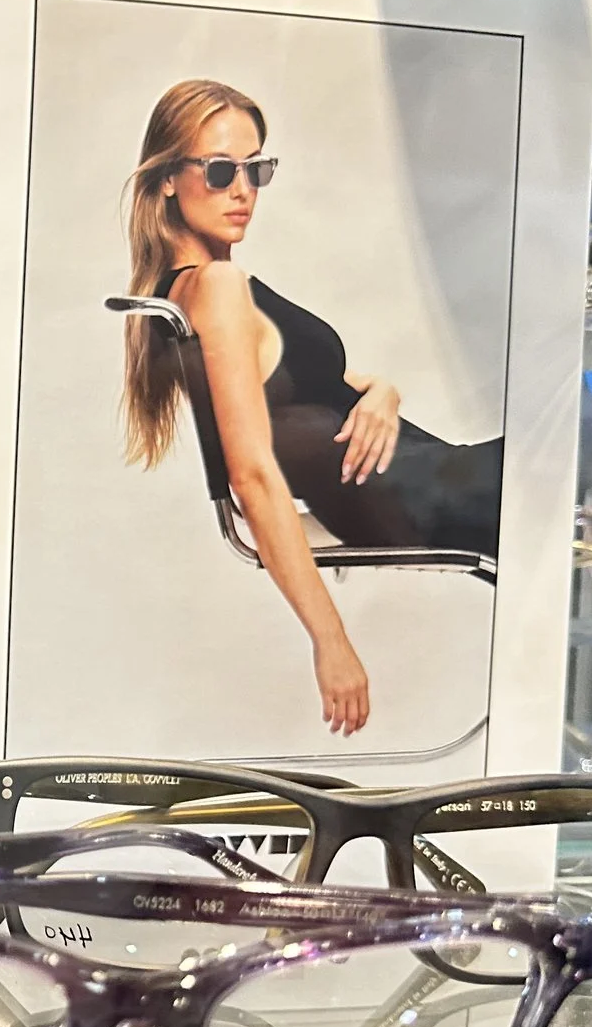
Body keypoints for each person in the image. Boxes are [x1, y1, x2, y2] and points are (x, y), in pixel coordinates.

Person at [119, 79, 503, 738]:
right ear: (165, 182)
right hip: (429, 498)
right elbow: (253, 475)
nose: (242, 191)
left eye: (256, 169)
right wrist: (331, 640)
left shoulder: (199, 291)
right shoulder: (216, 287)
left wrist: (384, 391)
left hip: (437, 476)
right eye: (218, 171)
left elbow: (326, 379)